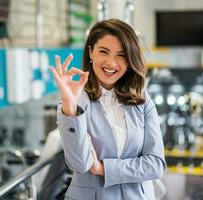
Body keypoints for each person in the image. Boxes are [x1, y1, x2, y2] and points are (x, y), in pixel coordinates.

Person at [50, 19, 166, 200]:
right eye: (104, 52)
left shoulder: (141, 99)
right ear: (90, 53)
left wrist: (103, 169)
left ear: (129, 60)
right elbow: (80, 164)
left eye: (121, 55)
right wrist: (69, 104)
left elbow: (156, 165)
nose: (111, 63)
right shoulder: (75, 101)